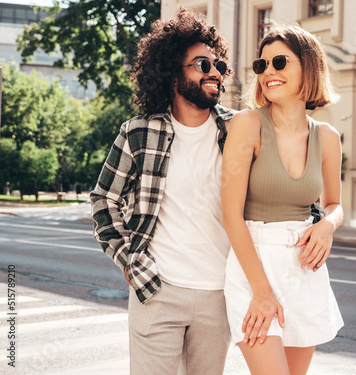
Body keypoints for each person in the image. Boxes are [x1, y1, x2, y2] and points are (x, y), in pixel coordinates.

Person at [90, 8, 235, 375]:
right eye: (202, 64)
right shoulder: (139, 132)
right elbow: (103, 200)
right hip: (158, 290)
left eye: (218, 64)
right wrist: (129, 259)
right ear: (173, 73)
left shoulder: (238, 131)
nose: (214, 72)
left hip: (219, 295)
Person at [221, 24, 344, 375]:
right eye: (261, 66)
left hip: (305, 269)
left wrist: (326, 226)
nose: (268, 73)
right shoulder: (247, 124)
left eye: (279, 62)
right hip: (254, 267)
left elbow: (335, 204)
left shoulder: (329, 138)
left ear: (309, 66)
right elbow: (230, 214)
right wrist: (261, 292)